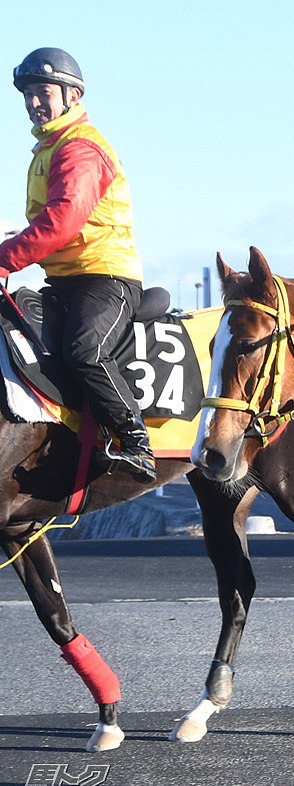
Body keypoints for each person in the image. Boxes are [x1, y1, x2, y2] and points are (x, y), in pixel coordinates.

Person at [0, 48, 155, 483]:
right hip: (65, 279)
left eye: (43, 92)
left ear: (71, 95)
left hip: (106, 276)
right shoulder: (47, 148)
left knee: (83, 351)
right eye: (28, 94)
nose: (33, 102)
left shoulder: (81, 148)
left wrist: (3, 260)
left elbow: (62, 222)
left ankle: (135, 442)